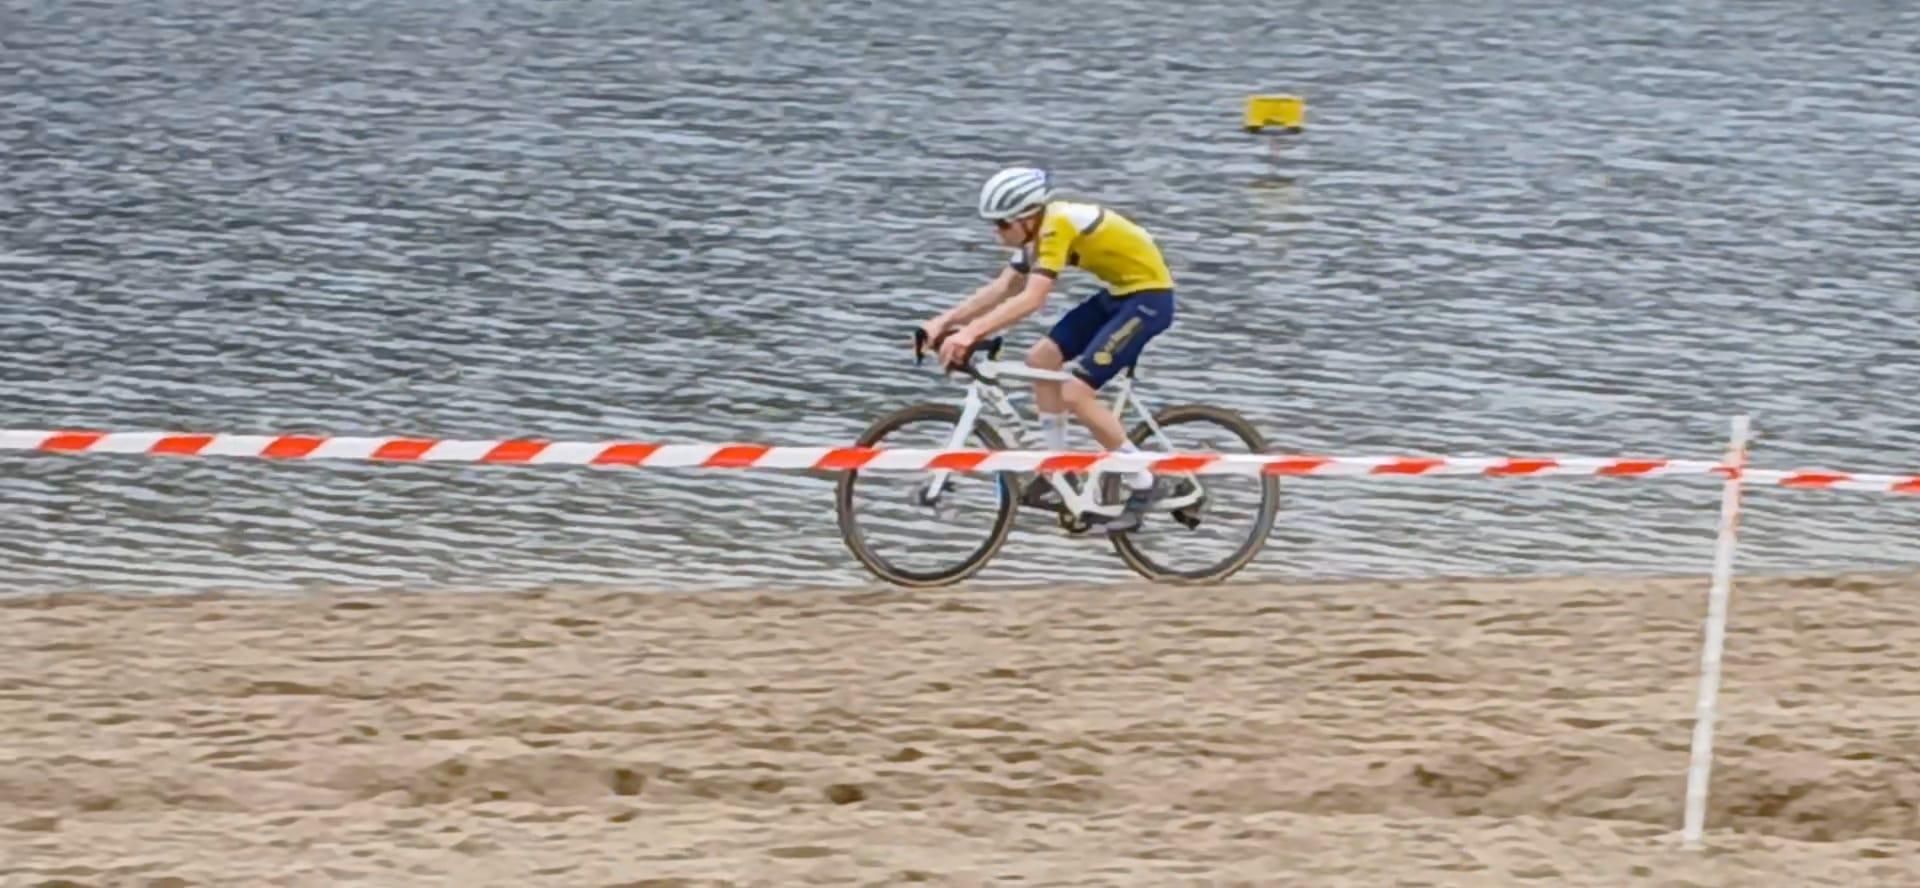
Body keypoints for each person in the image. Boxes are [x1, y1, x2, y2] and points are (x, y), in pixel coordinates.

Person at [921, 166, 1180, 533]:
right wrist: (943, 323)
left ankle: (1147, 482)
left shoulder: (1057, 224)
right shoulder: (1038, 232)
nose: (997, 233)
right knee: (1041, 359)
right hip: (1120, 296)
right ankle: (1057, 468)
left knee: (1075, 393)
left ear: (1026, 217)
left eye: (1001, 225)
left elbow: (1032, 299)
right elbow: (1004, 287)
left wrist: (969, 334)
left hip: (1149, 300)